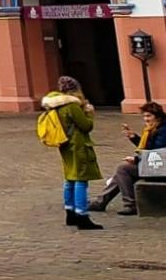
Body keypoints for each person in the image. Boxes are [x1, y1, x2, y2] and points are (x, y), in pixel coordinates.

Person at [92, 103, 166, 215]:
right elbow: (150, 149)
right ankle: (101, 202)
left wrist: (136, 160)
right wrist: (134, 138)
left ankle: (129, 204)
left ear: (158, 116)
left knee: (123, 169)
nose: (146, 119)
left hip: (163, 168)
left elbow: (157, 153)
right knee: (121, 173)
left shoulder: (165, 131)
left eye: (149, 116)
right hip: (157, 164)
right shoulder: (154, 129)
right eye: (144, 116)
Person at [41, 76, 103, 230]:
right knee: (81, 179)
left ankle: (70, 212)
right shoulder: (72, 106)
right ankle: (82, 215)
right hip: (78, 145)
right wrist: (89, 113)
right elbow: (86, 126)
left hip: (65, 144)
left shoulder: (54, 104)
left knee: (69, 178)